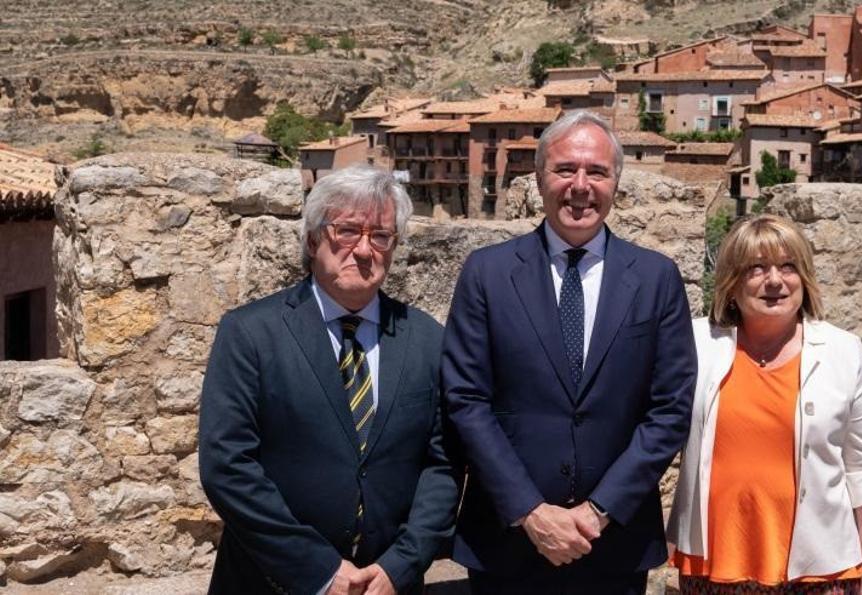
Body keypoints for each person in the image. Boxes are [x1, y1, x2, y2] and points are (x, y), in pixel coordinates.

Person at [441, 110, 697, 594]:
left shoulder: (656, 278)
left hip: (614, 545)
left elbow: (670, 409)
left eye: (596, 171)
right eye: (565, 170)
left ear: (615, 182)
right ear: (540, 178)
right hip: (508, 543)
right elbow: (466, 400)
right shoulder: (487, 274)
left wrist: (598, 513)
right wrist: (531, 512)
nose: (581, 186)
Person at [198, 165, 459, 595]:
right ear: (313, 238)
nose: (364, 250)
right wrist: (318, 570)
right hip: (270, 582)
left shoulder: (426, 339)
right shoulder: (251, 333)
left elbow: (443, 463)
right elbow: (227, 466)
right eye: (347, 231)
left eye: (381, 235)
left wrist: (401, 565)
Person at [668, 215, 862, 595]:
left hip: (821, 573)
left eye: (788, 266)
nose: (774, 280)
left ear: (804, 277)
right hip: (715, 569)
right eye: (756, 268)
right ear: (731, 282)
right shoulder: (696, 345)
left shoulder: (842, 352)